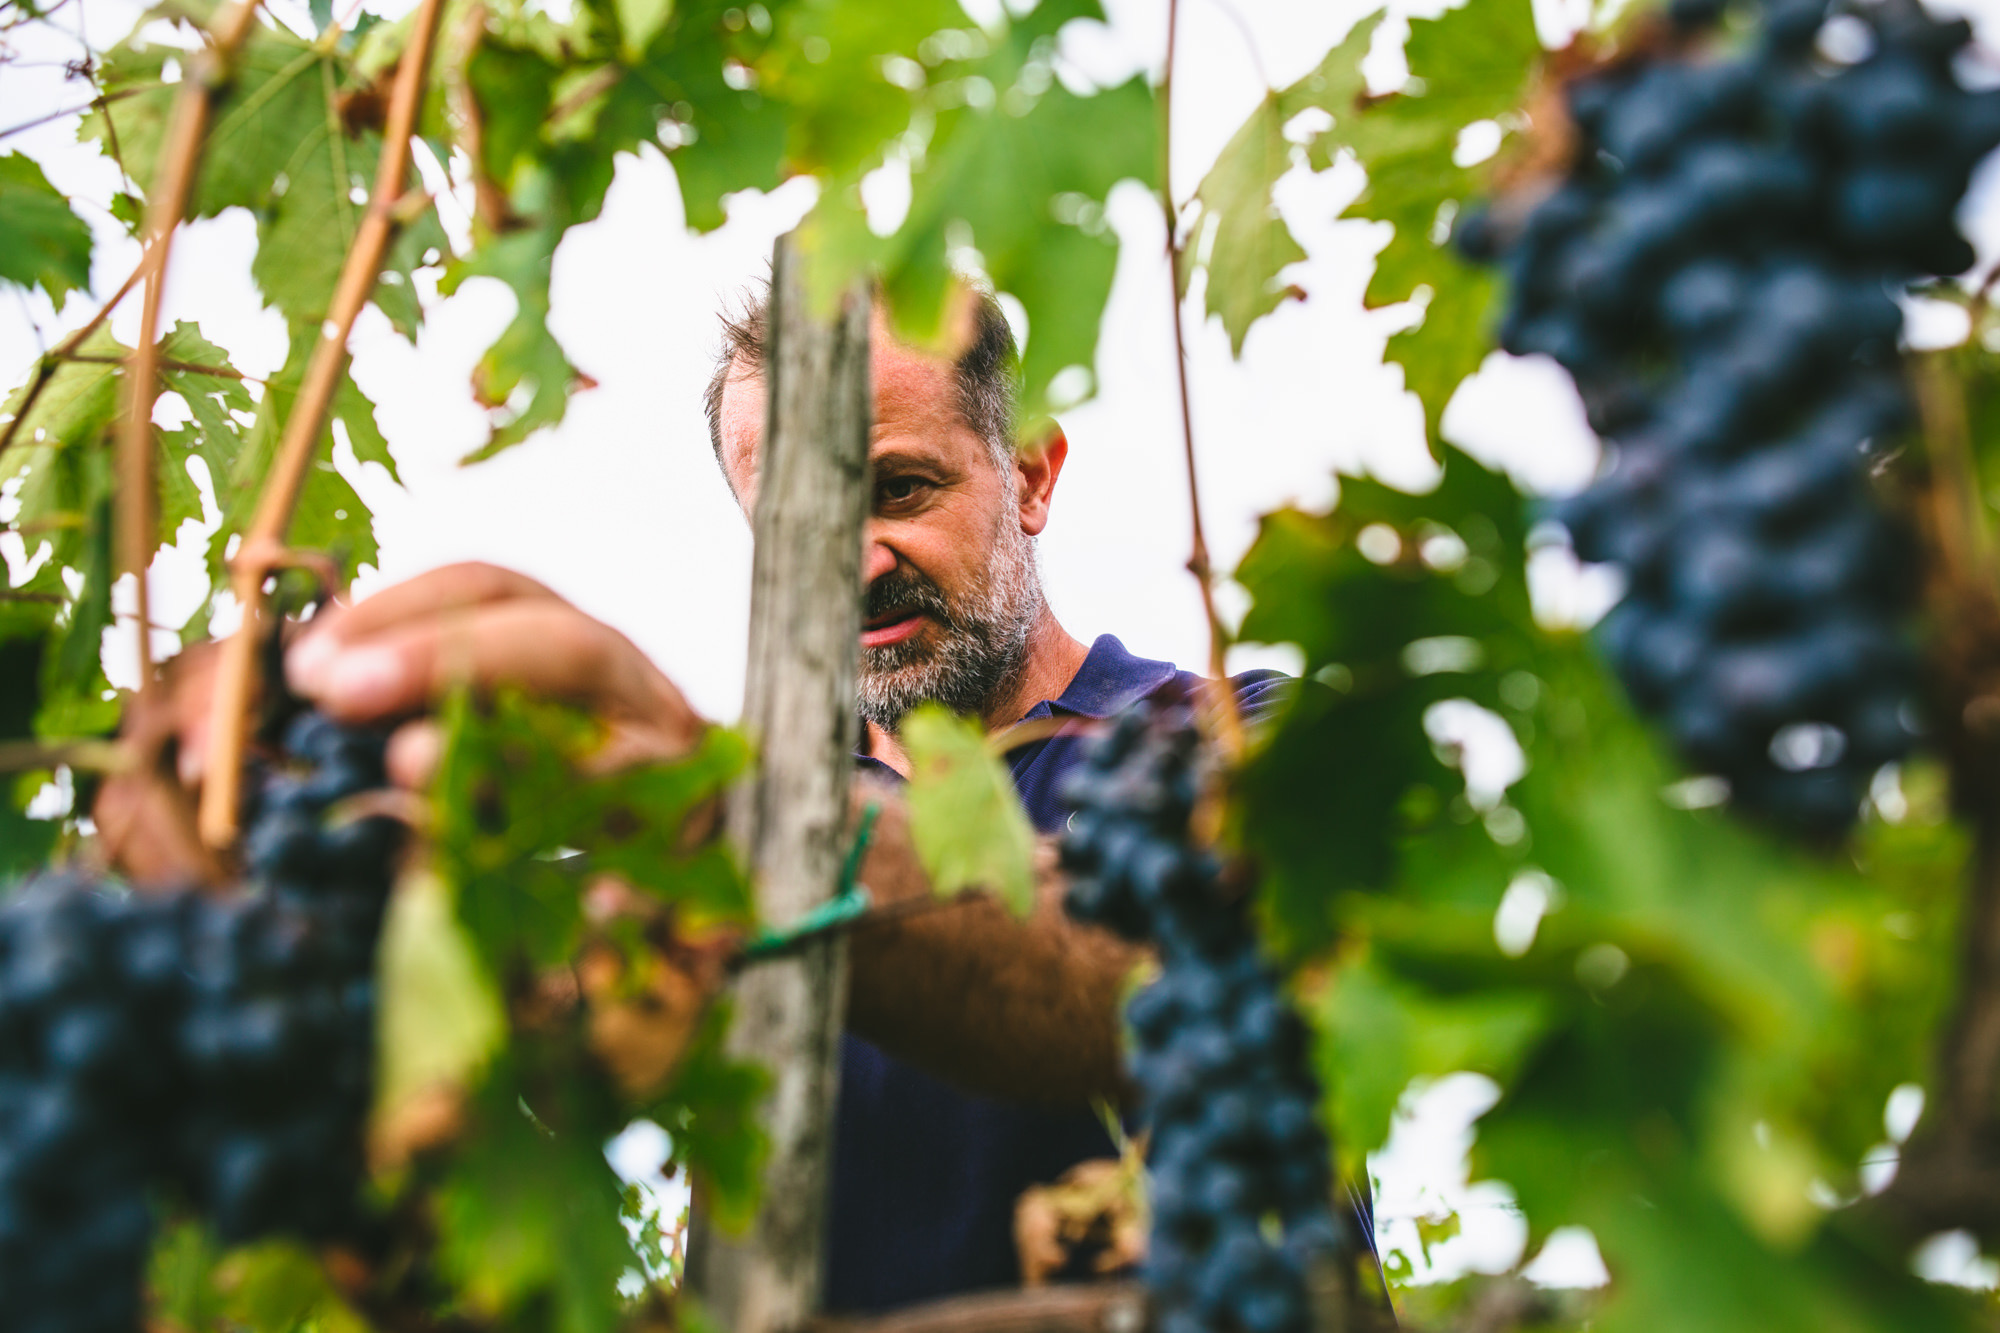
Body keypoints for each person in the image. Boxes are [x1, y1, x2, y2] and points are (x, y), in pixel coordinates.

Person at [100, 284, 1296, 1314]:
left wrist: (753, 834)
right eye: (803, 527)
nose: (856, 559)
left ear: (1030, 475)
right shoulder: (674, 853)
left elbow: (1189, 980)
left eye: (901, 489)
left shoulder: (1238, 743)